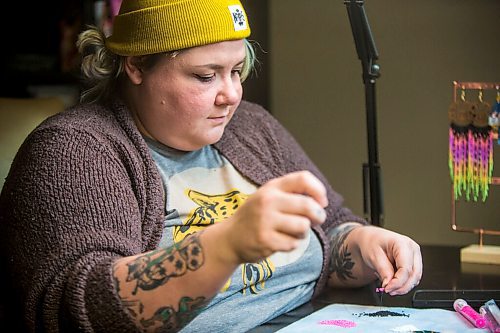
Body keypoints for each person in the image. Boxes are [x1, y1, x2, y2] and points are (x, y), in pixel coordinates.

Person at [0, 0, 422, 332]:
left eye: (237, 71)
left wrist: (364, 241)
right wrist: (225, 245)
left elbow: (330, 229)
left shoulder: (250, 125)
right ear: (135, 65)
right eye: (206, 76)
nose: (231, 95)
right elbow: (81, 309)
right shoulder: (74, 150)